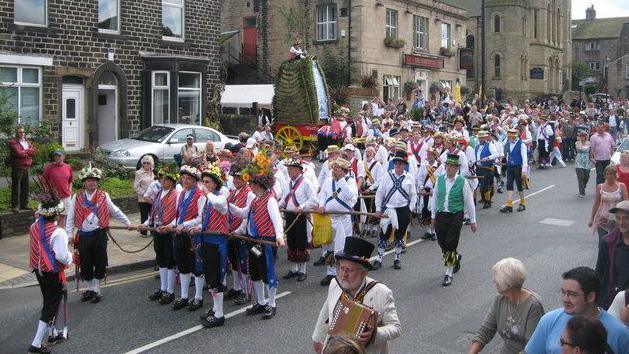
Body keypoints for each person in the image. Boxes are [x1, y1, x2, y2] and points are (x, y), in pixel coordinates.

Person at [312, 237, 401, 354]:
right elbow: (326, 311)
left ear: (363, 272)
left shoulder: (382, 292)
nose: (343, 274)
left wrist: (374, 334)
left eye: (349, 270)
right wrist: (317, 338)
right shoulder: (335, 284)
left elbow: (396, 328)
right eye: (341, 268)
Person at [229, 152, 286, 320]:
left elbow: (277, 220)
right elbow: (244, 213)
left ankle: (272, 304)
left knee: (267, 271)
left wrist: (279, 236)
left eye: (252, 182)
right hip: (253, 242)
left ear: (259, 184)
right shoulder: (254, 200)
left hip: (266, 242)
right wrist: (228, 205)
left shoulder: (270, 200)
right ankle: (261, 302)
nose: (250, 185)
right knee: (255, 271)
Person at [65, 165, 132, 304]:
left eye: (94, 180)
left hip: (99, 234)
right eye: (89, 180)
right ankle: (89, 288)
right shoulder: (76, 197)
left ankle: (97, 290)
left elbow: (115, 211)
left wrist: (127, 223)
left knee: (99, 261)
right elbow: (70, 217)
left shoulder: (103, 195)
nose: (92, 183)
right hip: (83, 235)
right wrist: (69, 235)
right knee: (86, 263)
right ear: (84, 182)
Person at [524, 267, 629, 354]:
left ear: (591, 296)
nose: (565, 299)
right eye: (563, 292)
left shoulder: (619, 333)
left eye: (571, 294)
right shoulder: (549, 320)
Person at [468, 258, 545, 354]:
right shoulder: (500, 299)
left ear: (507, 285)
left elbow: (533, 346)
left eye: (496, 278)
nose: (493, 280)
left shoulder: (533, 305)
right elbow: (486, 330)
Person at [27, 194, 73, 354]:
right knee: (50, 306)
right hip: (52, 273)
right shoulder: (58, 232)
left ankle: (53, 334)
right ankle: (36, 344)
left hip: (39, 271)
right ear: (57, 214)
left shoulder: (34, 226)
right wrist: (72, 256)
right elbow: (62, 256)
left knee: (48, 302)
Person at [431, 153, 477, 286]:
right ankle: (455, 257)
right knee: (442, 242)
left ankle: (448, 272)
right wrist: (433, 216)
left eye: (453, 166)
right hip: (441, 214)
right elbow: (434, 199)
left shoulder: (462, 182)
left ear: (457, 168)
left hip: (456, 215)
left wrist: (473, 220)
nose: (450, 168)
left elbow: (469, 202)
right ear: (445, 166)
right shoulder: (439, 179)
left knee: (451, 243)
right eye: (448, 166)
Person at [193, 165, 230, 328]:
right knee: (210, 277)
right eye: (203, 181)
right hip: (207, 241)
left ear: (215, 184)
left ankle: (220, 315)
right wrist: (192, 227)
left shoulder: (220, 198)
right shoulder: (206, 200)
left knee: (217, 278)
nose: (204, 184)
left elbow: (218, 204)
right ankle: (215, 309)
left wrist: (207, 193)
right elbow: (202, 221)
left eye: (207, 182)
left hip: (218, 243)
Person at [138, 164, 180, 305]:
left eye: (167, 179)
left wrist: (169, 226)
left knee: (169, 261)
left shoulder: (176, 195)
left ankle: (170, 291)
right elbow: (153, 214)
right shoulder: (157, 195)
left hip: (169, 232)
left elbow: (179, 216)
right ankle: (162, 289)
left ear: (173, 181)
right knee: (161, 259)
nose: (163, 181)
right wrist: (144, 224)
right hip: (158, 231)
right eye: (162, 178)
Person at [317, 158, 358, 286]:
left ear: (344, 171)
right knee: (329, 247)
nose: (335, 171)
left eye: (338, 169)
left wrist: (341, 180)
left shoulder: (350, 182)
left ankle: (342, 275)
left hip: (343, 220)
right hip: (329, 218)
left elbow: (350, 196)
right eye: (334, 168)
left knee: (343, 247)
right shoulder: (328, 181)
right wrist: (321, 205)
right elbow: (322, 195)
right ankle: (330, 273)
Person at [373, 151, 417, 270]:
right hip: (389, 209)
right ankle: (379, 259)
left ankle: (397, 259)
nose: (398, 165)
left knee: (399, 236)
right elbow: (380, 193)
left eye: (400, 163)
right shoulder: (387, 176)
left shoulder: (409, 178)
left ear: (405, 165)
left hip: (403, 210)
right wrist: (378, 209)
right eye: (396, 163)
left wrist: (410, 209)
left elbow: (414, 195)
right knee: (384, 235)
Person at [280, 158, 317, 282]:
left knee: (301, 242)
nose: (288, 171)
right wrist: (280, 205)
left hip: (301, 216)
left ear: (298, 170)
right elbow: (285, 198)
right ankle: (294, 269)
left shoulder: (306, 182)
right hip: (290, 215)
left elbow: (313, 200)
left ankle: (302, 270)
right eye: (288, 169)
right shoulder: (287, 183)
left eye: (291, 169)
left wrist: (301, 207)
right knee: (291, 241)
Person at [224, 162, 255, 305]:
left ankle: (246, 292)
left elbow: (246, 216)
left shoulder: (249, 193)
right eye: (234, 178)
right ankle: (236, 287)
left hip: (242, 235)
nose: (236, 180)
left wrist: (238, 231)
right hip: (231, 233)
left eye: (239, 178)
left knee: (244, 264)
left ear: (245, 178)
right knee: (234, 262)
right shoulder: (233, 192)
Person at [595, 200, 629, 309]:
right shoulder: (608, 242)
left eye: (626, 218)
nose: (621, 222)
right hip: (610, 301)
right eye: (618, 218)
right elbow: (599, 273)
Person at [589, 165, 627, 241]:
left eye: (611, 174)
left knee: (615, 243)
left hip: (617, 219)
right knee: (602, 242)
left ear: (615, 175)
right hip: (603, 218)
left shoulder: (621, 186)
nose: (609, 176)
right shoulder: (600, 187)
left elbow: (626, 203)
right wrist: (592, 219)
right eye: (607, 174)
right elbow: (596, 204)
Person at [500, 129, 528, 213]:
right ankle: (509, 205)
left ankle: (522, 203)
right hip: (510, 167)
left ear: (514, 136)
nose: (509, 138)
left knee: (519, 185)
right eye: (509, 137)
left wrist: (524, 170)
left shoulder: (521, 144)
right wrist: (505, 163)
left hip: (518, 167)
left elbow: (525, 158)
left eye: (511, 137)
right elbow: (508, 155)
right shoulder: (508, 143)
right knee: (509, 184)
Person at [42, 150, 73, 228]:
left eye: (59, 156)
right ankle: (53, 232)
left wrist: (70, 190)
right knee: (54, 216)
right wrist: (46, 191)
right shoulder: (49, 167)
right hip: (53, 197)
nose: (57, 157)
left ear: (63, 157)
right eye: (55, 156)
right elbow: (43, 180)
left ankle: (61, 233)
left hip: (66, 196)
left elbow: (70, 181)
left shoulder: (68, 167)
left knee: (63, 216)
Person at [9, 125, 36, 213]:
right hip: (18, 167)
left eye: (23, 132)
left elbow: (34, 150)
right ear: (17, 133)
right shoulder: (13, 142)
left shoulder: (27, 142)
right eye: (20, 132)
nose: (22, 133)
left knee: (25, 186)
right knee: (16, 187)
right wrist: (28, 152)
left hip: (26, 167)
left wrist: (26, 152)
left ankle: (24, 204)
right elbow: (19, 153)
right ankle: (15, 206)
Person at [475, 131, 500, 209]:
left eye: (482, 137)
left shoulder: (490, 145)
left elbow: (496, 154)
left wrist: (488, 158)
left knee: (486, 185)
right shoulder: (477, 146)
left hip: (487, 168)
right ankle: (483, 198)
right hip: (479, 168)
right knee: (480, 184)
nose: (481, 139)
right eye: (480, 137)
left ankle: (488, 202)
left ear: (485, 137)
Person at [134, 155, 154, 236]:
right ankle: (144, 232)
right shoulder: (138, 173)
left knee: (153, 215)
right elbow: (136, 187)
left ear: (151, 164)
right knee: (144, 216)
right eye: (144, 163)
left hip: (152, 198)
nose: (146, 164)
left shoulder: (152, 171)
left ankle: (153, 231)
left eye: (148, 163)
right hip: (143, 199)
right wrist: (145, 194)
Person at [575, 131, 593, 198]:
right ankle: (582, 192)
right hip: (579, 162)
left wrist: (592, 159)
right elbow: (579, 149)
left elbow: (590, 151)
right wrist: (579, 141)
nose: (582, 137)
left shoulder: (589, 143)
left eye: (584, 135)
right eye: (581, 136)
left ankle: (583, 186)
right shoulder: (577, 143)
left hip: (586, 162)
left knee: (586, 177)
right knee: (580, 177)